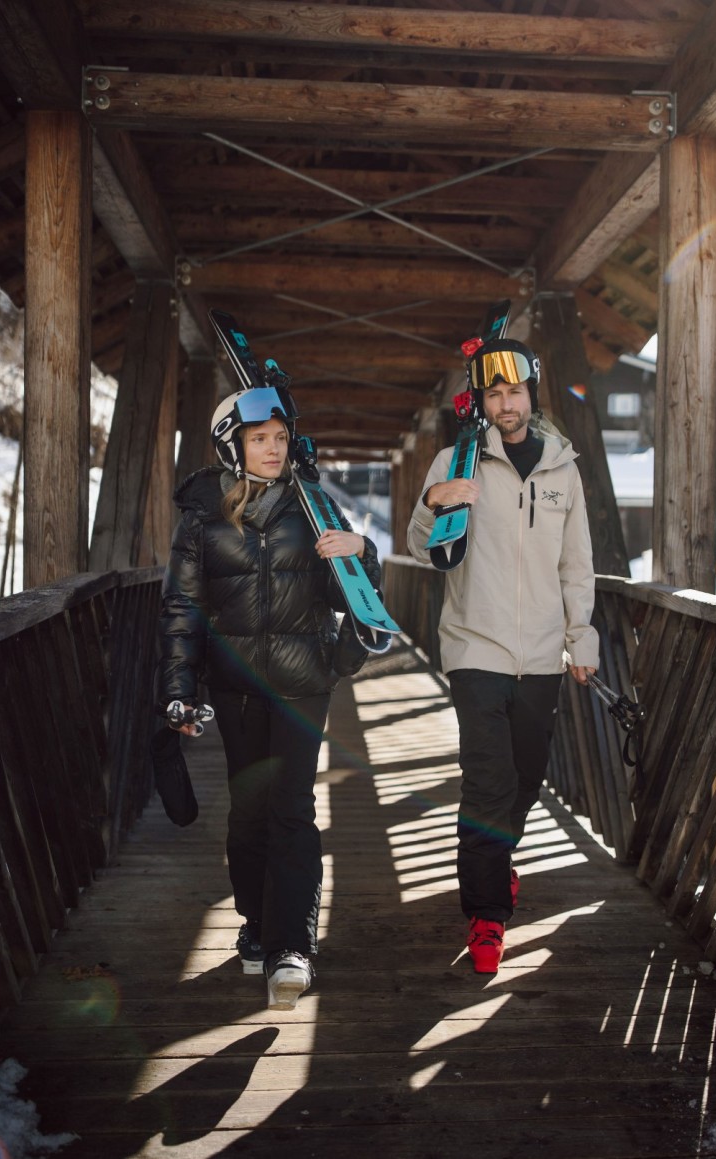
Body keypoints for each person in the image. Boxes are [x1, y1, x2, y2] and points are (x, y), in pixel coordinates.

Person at [157, 382, 381, 1010]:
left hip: (302, 685)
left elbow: (357, 595)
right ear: (233, 445)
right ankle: (257, 927)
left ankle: (293, 947)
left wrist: (362, 553)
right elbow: (182, 609)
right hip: (237, 693)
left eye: (280, 438)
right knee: (249, 815)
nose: (274, 449)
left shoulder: (315, 508)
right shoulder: (201, 516)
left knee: (291, 811)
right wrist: (177, 689)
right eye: (260, 439)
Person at [407, 336, 599, 973]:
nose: (506, 402)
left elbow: (577, 565)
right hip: (475, 646)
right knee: (487, 782)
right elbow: (419, 545)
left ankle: (497, 863)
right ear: (481, 400)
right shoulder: (455, 460)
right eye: (494, 392)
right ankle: (487, 915)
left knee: (525, 777)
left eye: (515, 391)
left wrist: (582, 637)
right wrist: (433, 501)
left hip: (543, 652)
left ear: (531, 393)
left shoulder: (562, 470)